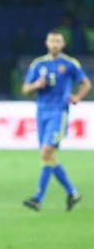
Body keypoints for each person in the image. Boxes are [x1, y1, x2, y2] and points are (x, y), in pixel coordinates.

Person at [21, 30, 91, 211]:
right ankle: (73, 193)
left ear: (63, 44)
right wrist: (36, 85)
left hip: (58, 113)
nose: (54, 44)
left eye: (58, 41)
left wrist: (77, 97)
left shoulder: (69, 64)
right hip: (41, 111)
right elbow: (25, 89)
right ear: (46, 43)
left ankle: (38, 198)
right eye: (51, 41)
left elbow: (86, 83)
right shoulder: (38, 64)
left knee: (46, 152)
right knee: (48, 156)